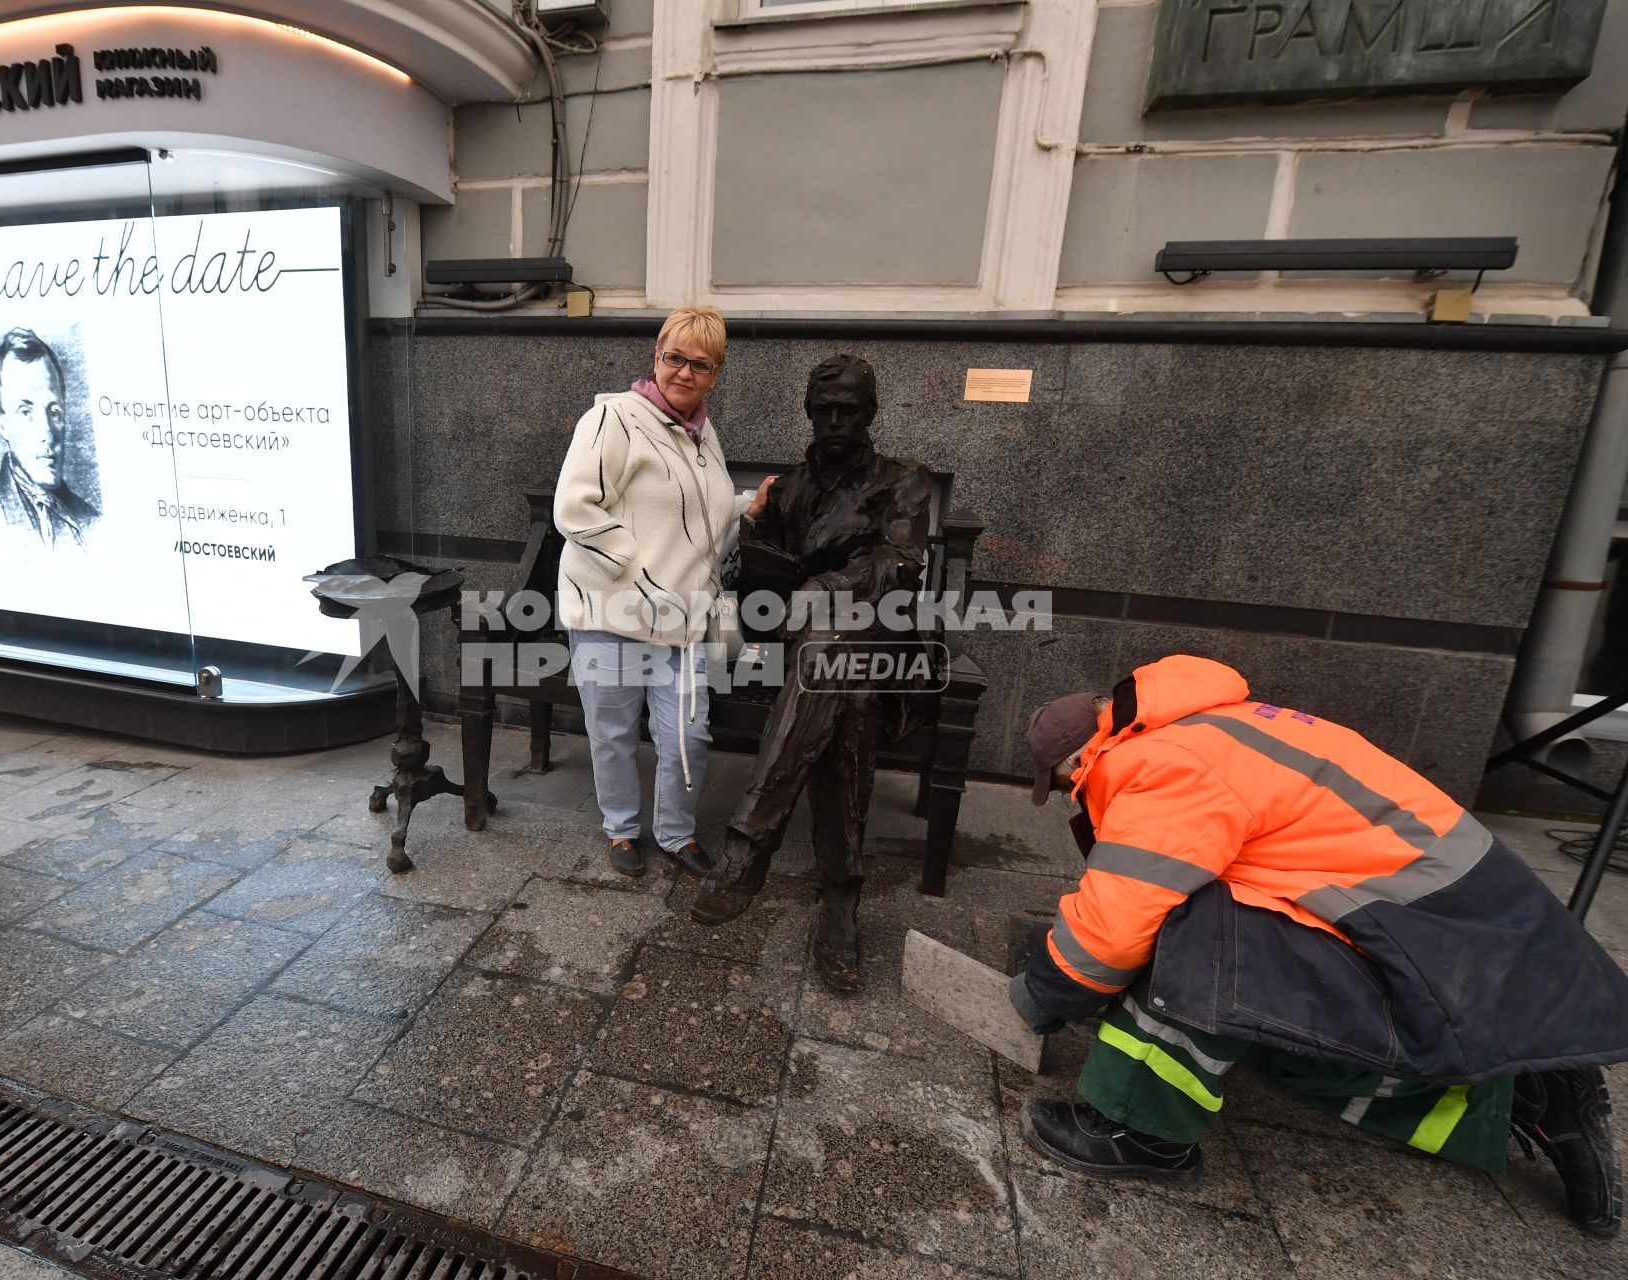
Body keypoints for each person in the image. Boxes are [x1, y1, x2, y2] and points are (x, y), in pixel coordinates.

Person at [1013, 653, 1628, 1237]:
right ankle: (1518, 1091)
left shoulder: (1161, 768)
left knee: (1199, 942)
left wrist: (1046, 991)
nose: (1074, 793)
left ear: (1079, 762)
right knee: (1257, 984)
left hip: (1417, 936)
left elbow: (1117, 923)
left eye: (1066, 784)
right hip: (1459, 932)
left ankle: (1139, 1131)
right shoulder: (1210, 725)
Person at [689, 353, 935, 991]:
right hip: (807, 650)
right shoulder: (791, 487)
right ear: (807, 411)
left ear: (870, 413)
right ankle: (840, 897)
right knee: (837, 683)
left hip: (882, 639)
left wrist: (827, 584)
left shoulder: (904, 480)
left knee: (834, 653)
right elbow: (757, 575)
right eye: (823, 409)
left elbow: (902, 563)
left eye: (847, 410)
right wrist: (756, 533)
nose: (833, 421)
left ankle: (748, 846)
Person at [553, 306, 770, 878]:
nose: (684, 372)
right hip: (610, 612)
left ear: (715, 374)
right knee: (614, 731)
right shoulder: (615, 419)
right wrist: (638, 575)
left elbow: (703, 526)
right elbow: (576, 508)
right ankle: (622, 829)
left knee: (687, 736)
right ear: (657, 356)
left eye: (700, 364)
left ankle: (675, 833)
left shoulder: (702, 433)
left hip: (683, 622)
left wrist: (747, 509)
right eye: (675, 358)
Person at [0, 327, 96, 547]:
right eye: (25, 412)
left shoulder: (90, 520)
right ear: (1, 422)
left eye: (54, 411)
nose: (46, 432)